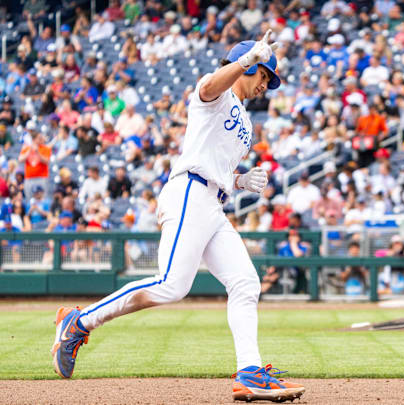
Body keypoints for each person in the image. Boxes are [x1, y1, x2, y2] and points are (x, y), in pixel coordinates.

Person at [51, 31, 305, 402]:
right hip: (188, 193)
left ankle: (250, 372)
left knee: (247, 283)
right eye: (264, 75)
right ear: (246, 67)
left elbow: (213, 162)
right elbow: (209, 86)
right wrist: (247, 60)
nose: (265, 84)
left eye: (267, 78)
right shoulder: (214, 95)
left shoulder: (247, 124)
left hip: (212, 202)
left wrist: (239, 180)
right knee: (171, 285)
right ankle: (78, 322)